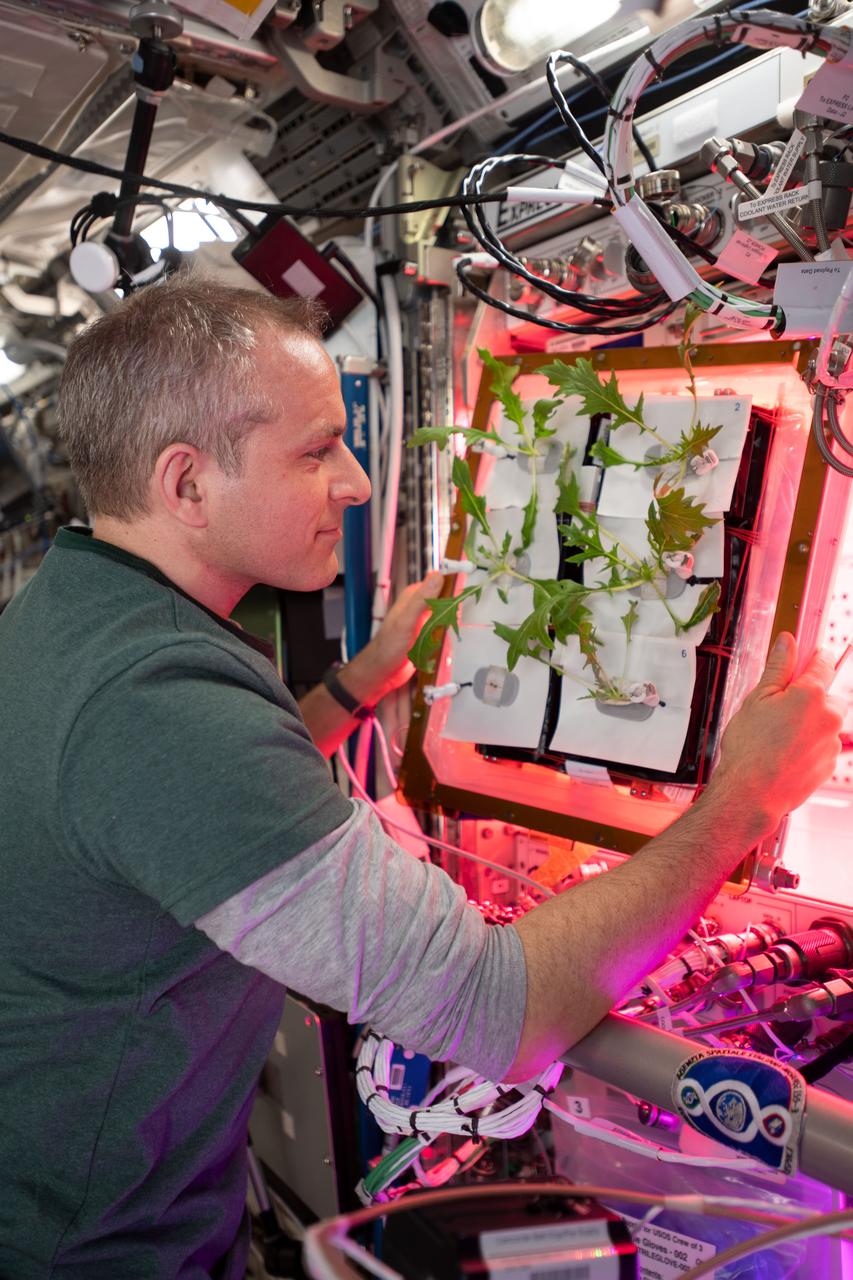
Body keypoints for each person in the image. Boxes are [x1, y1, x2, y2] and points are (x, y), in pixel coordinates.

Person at [0, 275, 842, 1279]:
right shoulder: (160, 707)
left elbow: (179, 818)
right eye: (316, 452)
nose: (355, 482)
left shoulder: (80, 616)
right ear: (186, 484)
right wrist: (743, 794)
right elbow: (507, 1014)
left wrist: (361, 683)